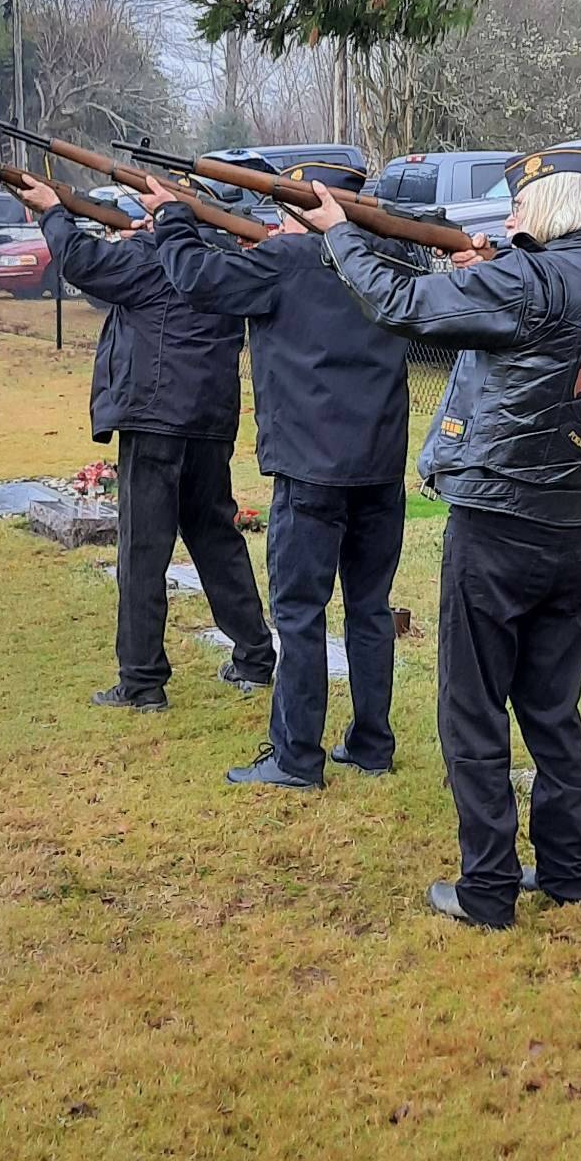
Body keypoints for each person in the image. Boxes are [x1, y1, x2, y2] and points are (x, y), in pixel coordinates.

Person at [313, 147, 581, 928]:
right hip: (573, 528)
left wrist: (339, 233)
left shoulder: (528, 282)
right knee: (552, 711)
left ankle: (488, 888)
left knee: (471, 710)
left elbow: (402, 304)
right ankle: (569, 872)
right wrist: (494, 267)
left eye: (521, 207)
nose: (508, 219)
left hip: (497, 524)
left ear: (557, 207)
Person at [141, 161, 419, 789]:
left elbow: (193, 276)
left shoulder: (288, 263)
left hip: (309, 469)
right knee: (369, 608)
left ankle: (296, 756)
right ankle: (372, 743)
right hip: (379, 465)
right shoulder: (390, 260)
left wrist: (175, 216)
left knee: (298, 613)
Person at [17, 176, 276, 711]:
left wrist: (51, 211)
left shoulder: (154, 254)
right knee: (215, 538)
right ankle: (254, 654)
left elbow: (84, 265)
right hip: (209, 419)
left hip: (156, 418)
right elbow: (102, 282)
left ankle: (141, 682)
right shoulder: (220, 257)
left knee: (141, 550)